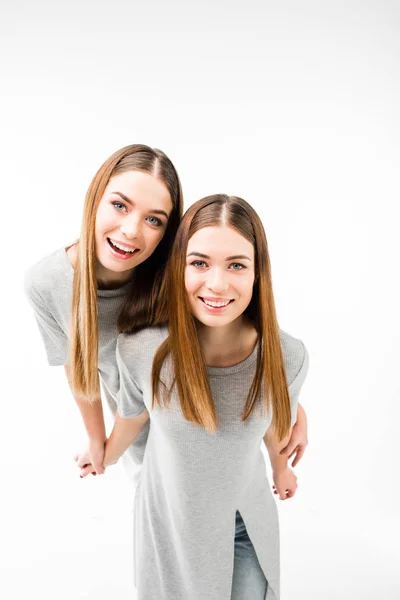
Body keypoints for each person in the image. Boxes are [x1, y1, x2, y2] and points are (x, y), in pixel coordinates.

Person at [94, 194, 309, 599]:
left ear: (258, 273)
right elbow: (133, 415)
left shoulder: (288, 356)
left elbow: (276, 423)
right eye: (199, 263)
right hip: (169, 526)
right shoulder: (143, 349)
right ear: (179, 267)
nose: (217, 283)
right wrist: (102, 453)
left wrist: (282, 469)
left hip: (244, 524)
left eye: (237, 265)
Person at [24, 144, 183, 483]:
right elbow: (76, 364)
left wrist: (289, 403)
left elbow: (241, 332)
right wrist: (97, 439)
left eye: (153, 219)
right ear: (95, 198)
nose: (130, 230)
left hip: (210, 436)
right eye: (119, 205)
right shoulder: (47, 283)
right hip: (142, 449)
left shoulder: (178, 277)